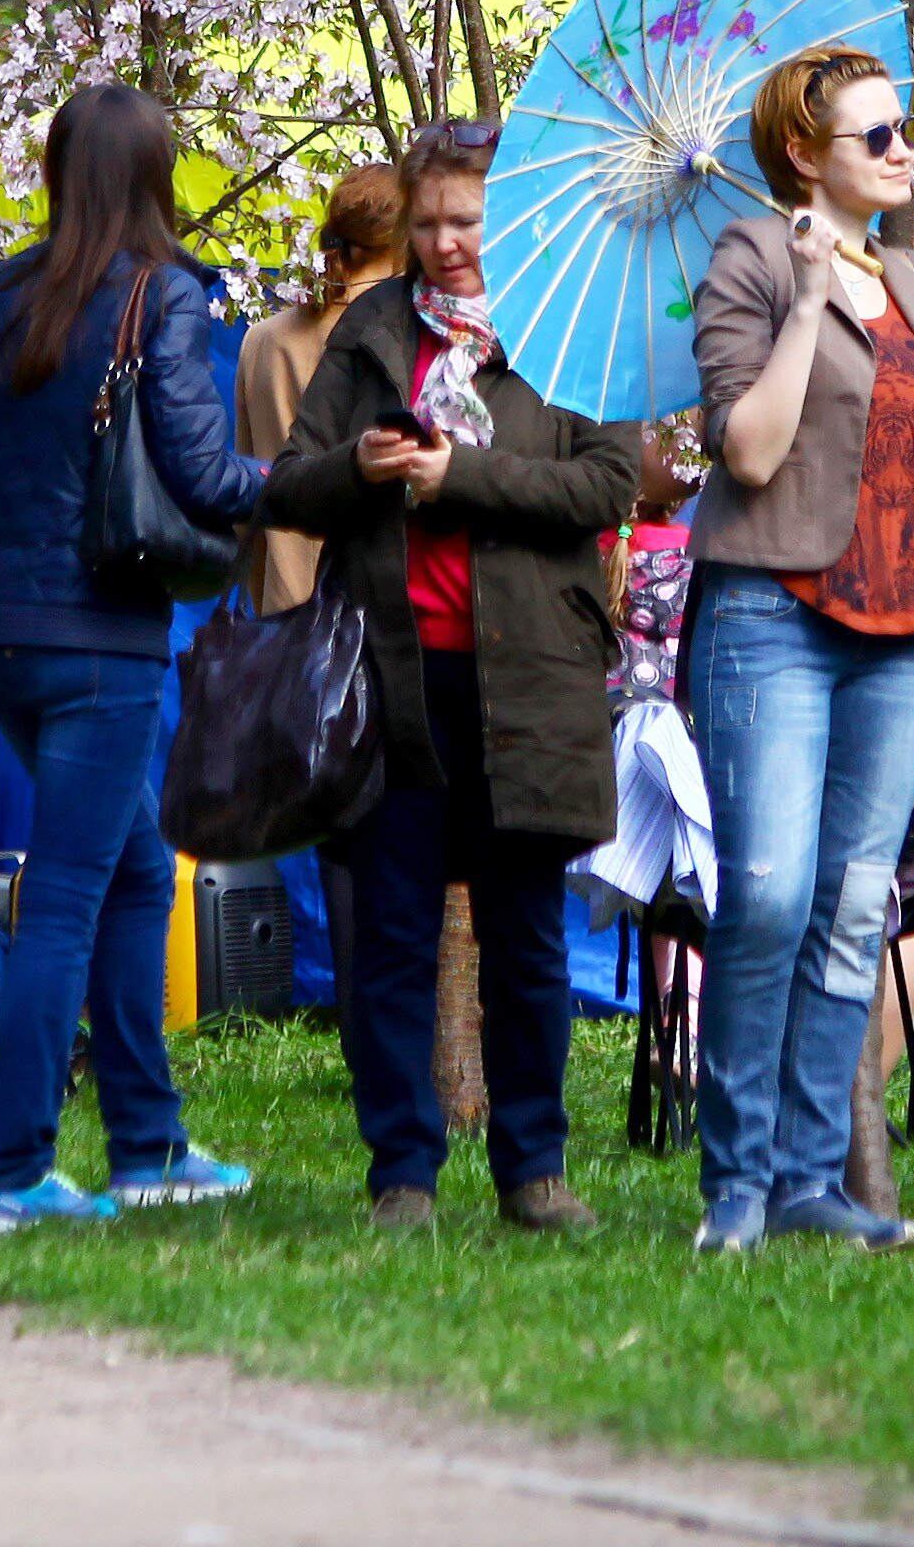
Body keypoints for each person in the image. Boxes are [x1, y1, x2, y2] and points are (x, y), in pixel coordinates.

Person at [679, 40, 914, 1253]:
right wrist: (803, 301)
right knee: (772, 895)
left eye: (908, 134)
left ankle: (805, 1184)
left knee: (852, 905)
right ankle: (735, 1186)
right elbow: (747, 449)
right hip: (772, 613)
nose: (906, 153)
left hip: (903, 619)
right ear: (805, 153)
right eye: (879, 137)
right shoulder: (746, 258)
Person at [258, 115, 638, 1234]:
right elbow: (287, 484)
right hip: (393, 674)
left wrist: (459, 474)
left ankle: (534, 1168)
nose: (444, 242)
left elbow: (608, 485)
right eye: (425, 222)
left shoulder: (571, 319)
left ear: (507, 212)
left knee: (525, 937)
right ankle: (403, 1177)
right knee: (392, 937)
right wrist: (357, 466)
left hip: (531, 679)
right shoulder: (374, 327)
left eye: (464, 220)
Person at [0, 82, 275, 1228]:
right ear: (155, 179)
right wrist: (298, 481)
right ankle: (17, 1169)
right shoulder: (162, 293)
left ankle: (148, 1140)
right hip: (100, 634)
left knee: (137, 871)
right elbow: (197, 466)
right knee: (69, 894)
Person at [234, 161, 405, 617]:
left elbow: (247, 494)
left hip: (283, 607)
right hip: (373, 610)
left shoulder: (263, 339)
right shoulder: (397, 334)